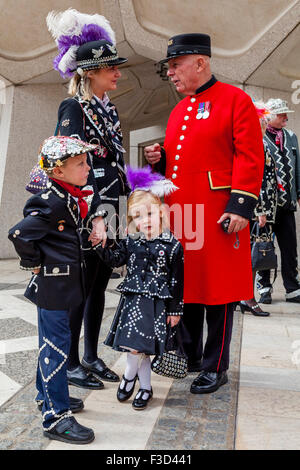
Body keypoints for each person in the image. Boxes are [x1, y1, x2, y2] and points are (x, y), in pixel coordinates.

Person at [144, 33, 264, 394]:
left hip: (218, 213)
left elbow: (250, 156)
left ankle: (216, 365)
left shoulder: (235, 100)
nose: (172, 74)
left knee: (221, 291)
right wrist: (159, 159)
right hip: (183, 214)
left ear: (201, 62)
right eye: (169, 68)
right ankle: (191, 354)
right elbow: (182, 161)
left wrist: (241, 205)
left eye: (176, 66)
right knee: (188, 286)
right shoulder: (180, 109)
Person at [47, 9, 130, 388]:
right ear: (91, 71)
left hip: (111, 207)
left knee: (99, 285)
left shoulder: (108, 110)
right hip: (89, 211)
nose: (117, 72)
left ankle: (92, 356)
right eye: (111, 67)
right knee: (80, 286)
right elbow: (70, 164)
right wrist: (95, 215)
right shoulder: (74, 108)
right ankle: (71, 363)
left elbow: (111, 162)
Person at [8, 136, 100, 444]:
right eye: (80, 164)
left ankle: (44, 395)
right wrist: (33, 263)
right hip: (53, 287)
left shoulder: (68, 195)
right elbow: (19, 233)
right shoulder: (50, 202)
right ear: (58, 171)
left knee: (54, 345)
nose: (88, 168)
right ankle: (56, 417)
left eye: (86, 162)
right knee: (57, 349)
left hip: (64, 286)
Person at [96, 167, 184, 409]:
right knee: (135, 348)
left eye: (149, 214)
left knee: (141, 349)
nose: (144, 220)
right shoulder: (131, 242)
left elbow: (177, 281)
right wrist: (101, 246)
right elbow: (115, 260)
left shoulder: (173, 246)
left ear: (162, 212)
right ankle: (141, 385)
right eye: (137, 216)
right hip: (133, 302)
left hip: (156, 306)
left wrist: (175, 311)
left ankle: (133, 380)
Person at [257, 98, 300, 304]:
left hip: (287, 204)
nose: (285, 117)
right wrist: (258, 208)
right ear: (269, 116)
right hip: (266, 206)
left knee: (290, 248)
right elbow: (256, 174)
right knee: (264, 247)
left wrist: (298, 195)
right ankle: (264, 288)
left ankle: (292, 288)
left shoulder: (291, 137)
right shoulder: (259, 137)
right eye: (281, 114)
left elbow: (297, 167)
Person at [240, 102, 278, 316]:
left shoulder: (260, 142)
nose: (264, 124)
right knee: (252, 256)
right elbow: (258, 180)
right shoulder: (257, 144)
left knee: (251, 255)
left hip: (261, 209)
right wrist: (260, 210)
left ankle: (245, 296)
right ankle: (247, 298)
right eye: (261, 121)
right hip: (257, 210)